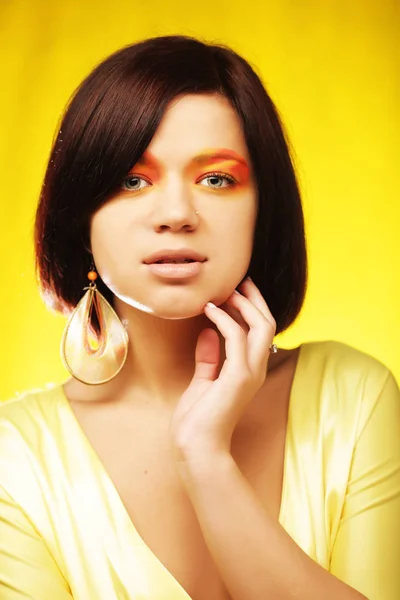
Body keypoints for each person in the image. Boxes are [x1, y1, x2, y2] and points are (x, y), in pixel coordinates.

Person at [0, 35, 399, 600]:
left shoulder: (352, 398)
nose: (176, 214)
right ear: (80, 214)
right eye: (132, 179)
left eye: (216, 179)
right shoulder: (14, 456)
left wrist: (206, 460)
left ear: (263, 209)